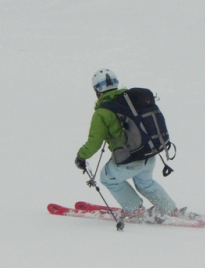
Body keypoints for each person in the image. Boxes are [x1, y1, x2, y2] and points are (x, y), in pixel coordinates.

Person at [75, 69, 178, 217]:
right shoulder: (131, 101)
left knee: (107, 178)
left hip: (130, 160)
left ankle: (136, 210)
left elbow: (94, 142)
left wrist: (81, 157)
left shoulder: (102, 112)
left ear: (97, 90)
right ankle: (170, 210)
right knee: (146, 183)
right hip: (149, 154)